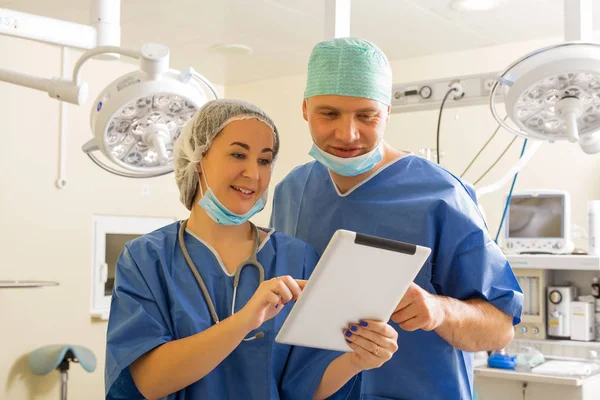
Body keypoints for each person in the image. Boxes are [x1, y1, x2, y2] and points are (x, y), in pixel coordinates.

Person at [270, 38, 524, 400]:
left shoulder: (441, 195)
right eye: (329, 114)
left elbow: (500, 329)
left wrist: (439, 310)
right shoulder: (291, 191)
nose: (348, 134)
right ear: (305, 109)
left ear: (387, 113)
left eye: (366, 115)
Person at [104, 98, 399, 400]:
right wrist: (246, 319)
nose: (253, 174)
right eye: (238, 154)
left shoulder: (297, 258)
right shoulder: (146, 259)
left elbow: (305, 386)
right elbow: (148, 381)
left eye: (264, 160)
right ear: (198, 158)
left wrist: (356, 360)